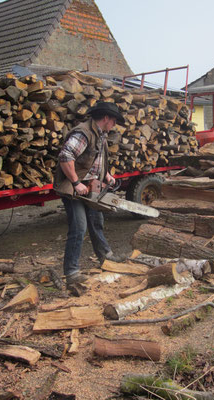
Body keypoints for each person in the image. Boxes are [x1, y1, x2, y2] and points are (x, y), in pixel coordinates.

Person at [54, 101, 126, 285]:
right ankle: (71, 273)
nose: (115, 124)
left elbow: (94, 160)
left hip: (91, 186)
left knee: (96, 221)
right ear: (106, 118)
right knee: (79, 227)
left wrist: (107, 175)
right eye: (114, 120)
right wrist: (76, 182)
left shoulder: (100, 134)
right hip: (74, 189)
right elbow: (65, 156)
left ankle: (106, 258)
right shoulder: (83, 133)